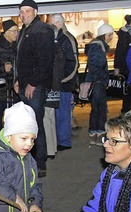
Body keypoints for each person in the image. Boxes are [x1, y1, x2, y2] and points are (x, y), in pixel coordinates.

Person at [13, 0, 54, 177]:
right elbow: (20, 59)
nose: (23, 14)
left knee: (35, 124)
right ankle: (31, 160)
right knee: (27, 123)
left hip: (35, 86)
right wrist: (18, 80)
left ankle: (40, 163)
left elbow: (45, 61)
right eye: (21, 11)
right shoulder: (25, 30)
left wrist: (33, 83)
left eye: (27, 11)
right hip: (25, 84)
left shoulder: (42, 30)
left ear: (35, 12)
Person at [48, 13, 79, 152]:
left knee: (63, 113)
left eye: (51, 23)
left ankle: (64, 141)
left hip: (64, 83)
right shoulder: (60, 37)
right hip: (60, 82)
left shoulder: (66, 38)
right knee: (59, 113)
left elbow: (73, 63)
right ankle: (61, 140)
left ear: (59, 23)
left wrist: (62, 79)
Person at [85, 24, 115, 146]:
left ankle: (95, 133)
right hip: (98, 83)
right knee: (100, 109)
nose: (111, 37)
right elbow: (95, 67)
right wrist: (103, 78)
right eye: (110, 35)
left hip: (96, 82)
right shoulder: (98, 47)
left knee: (97, 109)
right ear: (104, 35)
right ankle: (99, 133)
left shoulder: (97, 45)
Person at [0, 19, 19, 120]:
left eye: (17, 31)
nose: (17, 33)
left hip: (15, 91)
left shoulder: (18, 46)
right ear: (6, 32)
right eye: (14, 31)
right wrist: (3, 69)